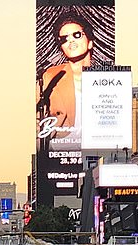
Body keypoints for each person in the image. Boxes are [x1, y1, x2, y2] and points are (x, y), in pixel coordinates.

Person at [39, 12, 95, 146]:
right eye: (64, 39)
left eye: (77, 35)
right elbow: (35, 119)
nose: (70, 41)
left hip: (96, 151)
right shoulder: (51, 76)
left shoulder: (107, 78)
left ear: (90, 43)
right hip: (60, 152)